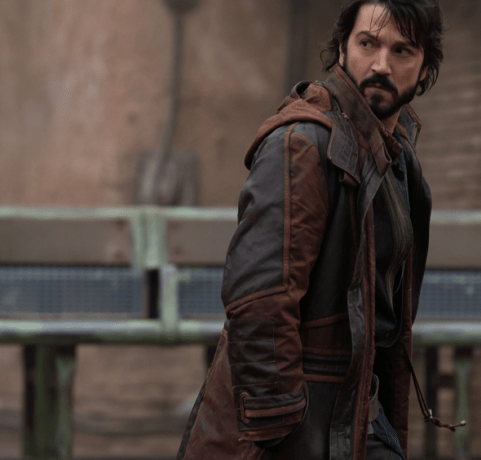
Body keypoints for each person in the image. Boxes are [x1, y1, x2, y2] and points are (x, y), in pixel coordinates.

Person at [178, 1, 459, 459]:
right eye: (367, 43)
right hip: (298, 430)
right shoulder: (301, 145)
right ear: (343, 49)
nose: (381, 64)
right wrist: (277, 427)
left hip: (359, 418)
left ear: (424, 66)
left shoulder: (399, 161)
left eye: (402, 51)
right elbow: (259, 299)